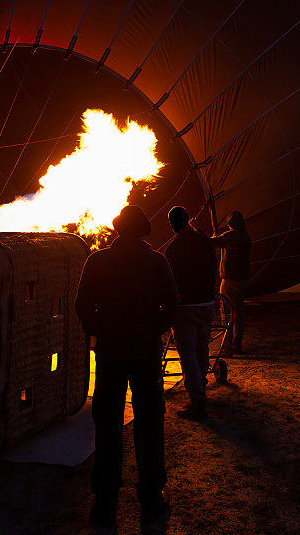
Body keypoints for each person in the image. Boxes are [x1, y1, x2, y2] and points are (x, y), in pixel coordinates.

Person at [75, 205, 178, 533]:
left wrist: (99, 330)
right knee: (149, 423)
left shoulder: (98, 260)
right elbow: (171, 305)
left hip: (110, 352)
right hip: (145, 354)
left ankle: (105, 503)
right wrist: (153, 330)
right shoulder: (157, 261)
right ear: (142, 231)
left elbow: (82, 304)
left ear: (119, 230)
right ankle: (151, 500)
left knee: (107, 424)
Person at [164, 206, 218, 421]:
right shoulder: (205, 242)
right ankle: (201, 383)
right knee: (201, 347)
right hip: (206, 304)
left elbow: (169, 282)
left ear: (172, 224)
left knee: (187, 355)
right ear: (188, 220)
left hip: (185, 308)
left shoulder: (173, 248)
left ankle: (197, 401)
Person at [211, 211, 251, 356]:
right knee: (239, 312)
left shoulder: (230, 237)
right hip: (243, 280)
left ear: (229, 224)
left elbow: (209, 242)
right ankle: (237, 345)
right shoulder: (246, 237)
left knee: (226, 314)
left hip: (229, 280)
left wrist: (196, 229)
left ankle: (226, 348)